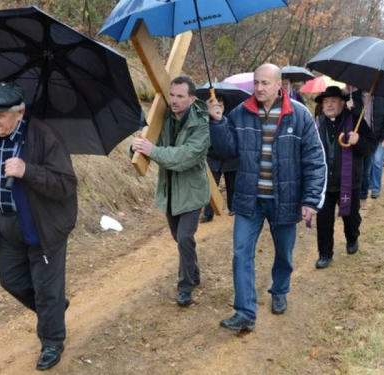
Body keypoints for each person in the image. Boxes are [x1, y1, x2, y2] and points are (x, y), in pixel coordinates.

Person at [0, 82, 78, 371]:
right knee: (11, 280)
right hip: (6, 225)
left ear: (19, 112)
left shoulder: (43, 136)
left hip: (43, 225)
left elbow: (65, 184)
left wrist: (29, 171)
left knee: (46, 288)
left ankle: (52, 341)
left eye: (0, 114)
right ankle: (53, 310)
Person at [207, 64, 327, 331]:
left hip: (285, 199)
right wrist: (217, 122)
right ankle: (245, 312)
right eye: (256, 83)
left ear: (279, 85)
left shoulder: (300, 116)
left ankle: (280, 290)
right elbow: (227, 151)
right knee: (241, 253)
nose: (259, 88)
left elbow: (315, 161)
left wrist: (310, 200)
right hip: (249, 198)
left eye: (265, 83)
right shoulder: (240, 113)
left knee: (283, 251)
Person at [131, 76, 210, 307]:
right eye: (172, 95)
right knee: (180, 238)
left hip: (192, 192)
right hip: (170, 191)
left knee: (185, 237)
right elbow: (147, 142)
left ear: (191, 98)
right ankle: (194, 273)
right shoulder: (162, 117)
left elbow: (185, 157)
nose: (174, 100)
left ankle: (185, 287)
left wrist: (152, 150)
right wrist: (134, 147)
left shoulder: (202, 125)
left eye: (180, 96)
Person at [313, 86, 376, 269]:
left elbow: (370, 146)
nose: (329, 105)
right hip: (324, 182)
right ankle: (325, 253)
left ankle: (352, 237)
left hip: (349, 181)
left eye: (333, 101)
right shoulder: (317, 124)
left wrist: (359, 141)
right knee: (323, 221)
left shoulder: (355, 121)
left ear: (342, 103)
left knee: (351, 216)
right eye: (326, 102)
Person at [347, 89, 384, 202]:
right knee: (362, 169)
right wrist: (347, 108)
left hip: (378, 138)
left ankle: (375, 189)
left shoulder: (383, 97)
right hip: (361, 140)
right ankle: (361, 195)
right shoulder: (352, 97)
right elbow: (347, 118)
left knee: (376, 163)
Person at [200, 94, 237, 222]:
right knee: (210, 185)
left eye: (220, 104)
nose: (218, 107)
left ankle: (233, 207)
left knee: (232, 184)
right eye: (215, 104)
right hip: (212, 158)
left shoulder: (231, 117)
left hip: (230, 159)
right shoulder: (204, 119)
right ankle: (208, 213)